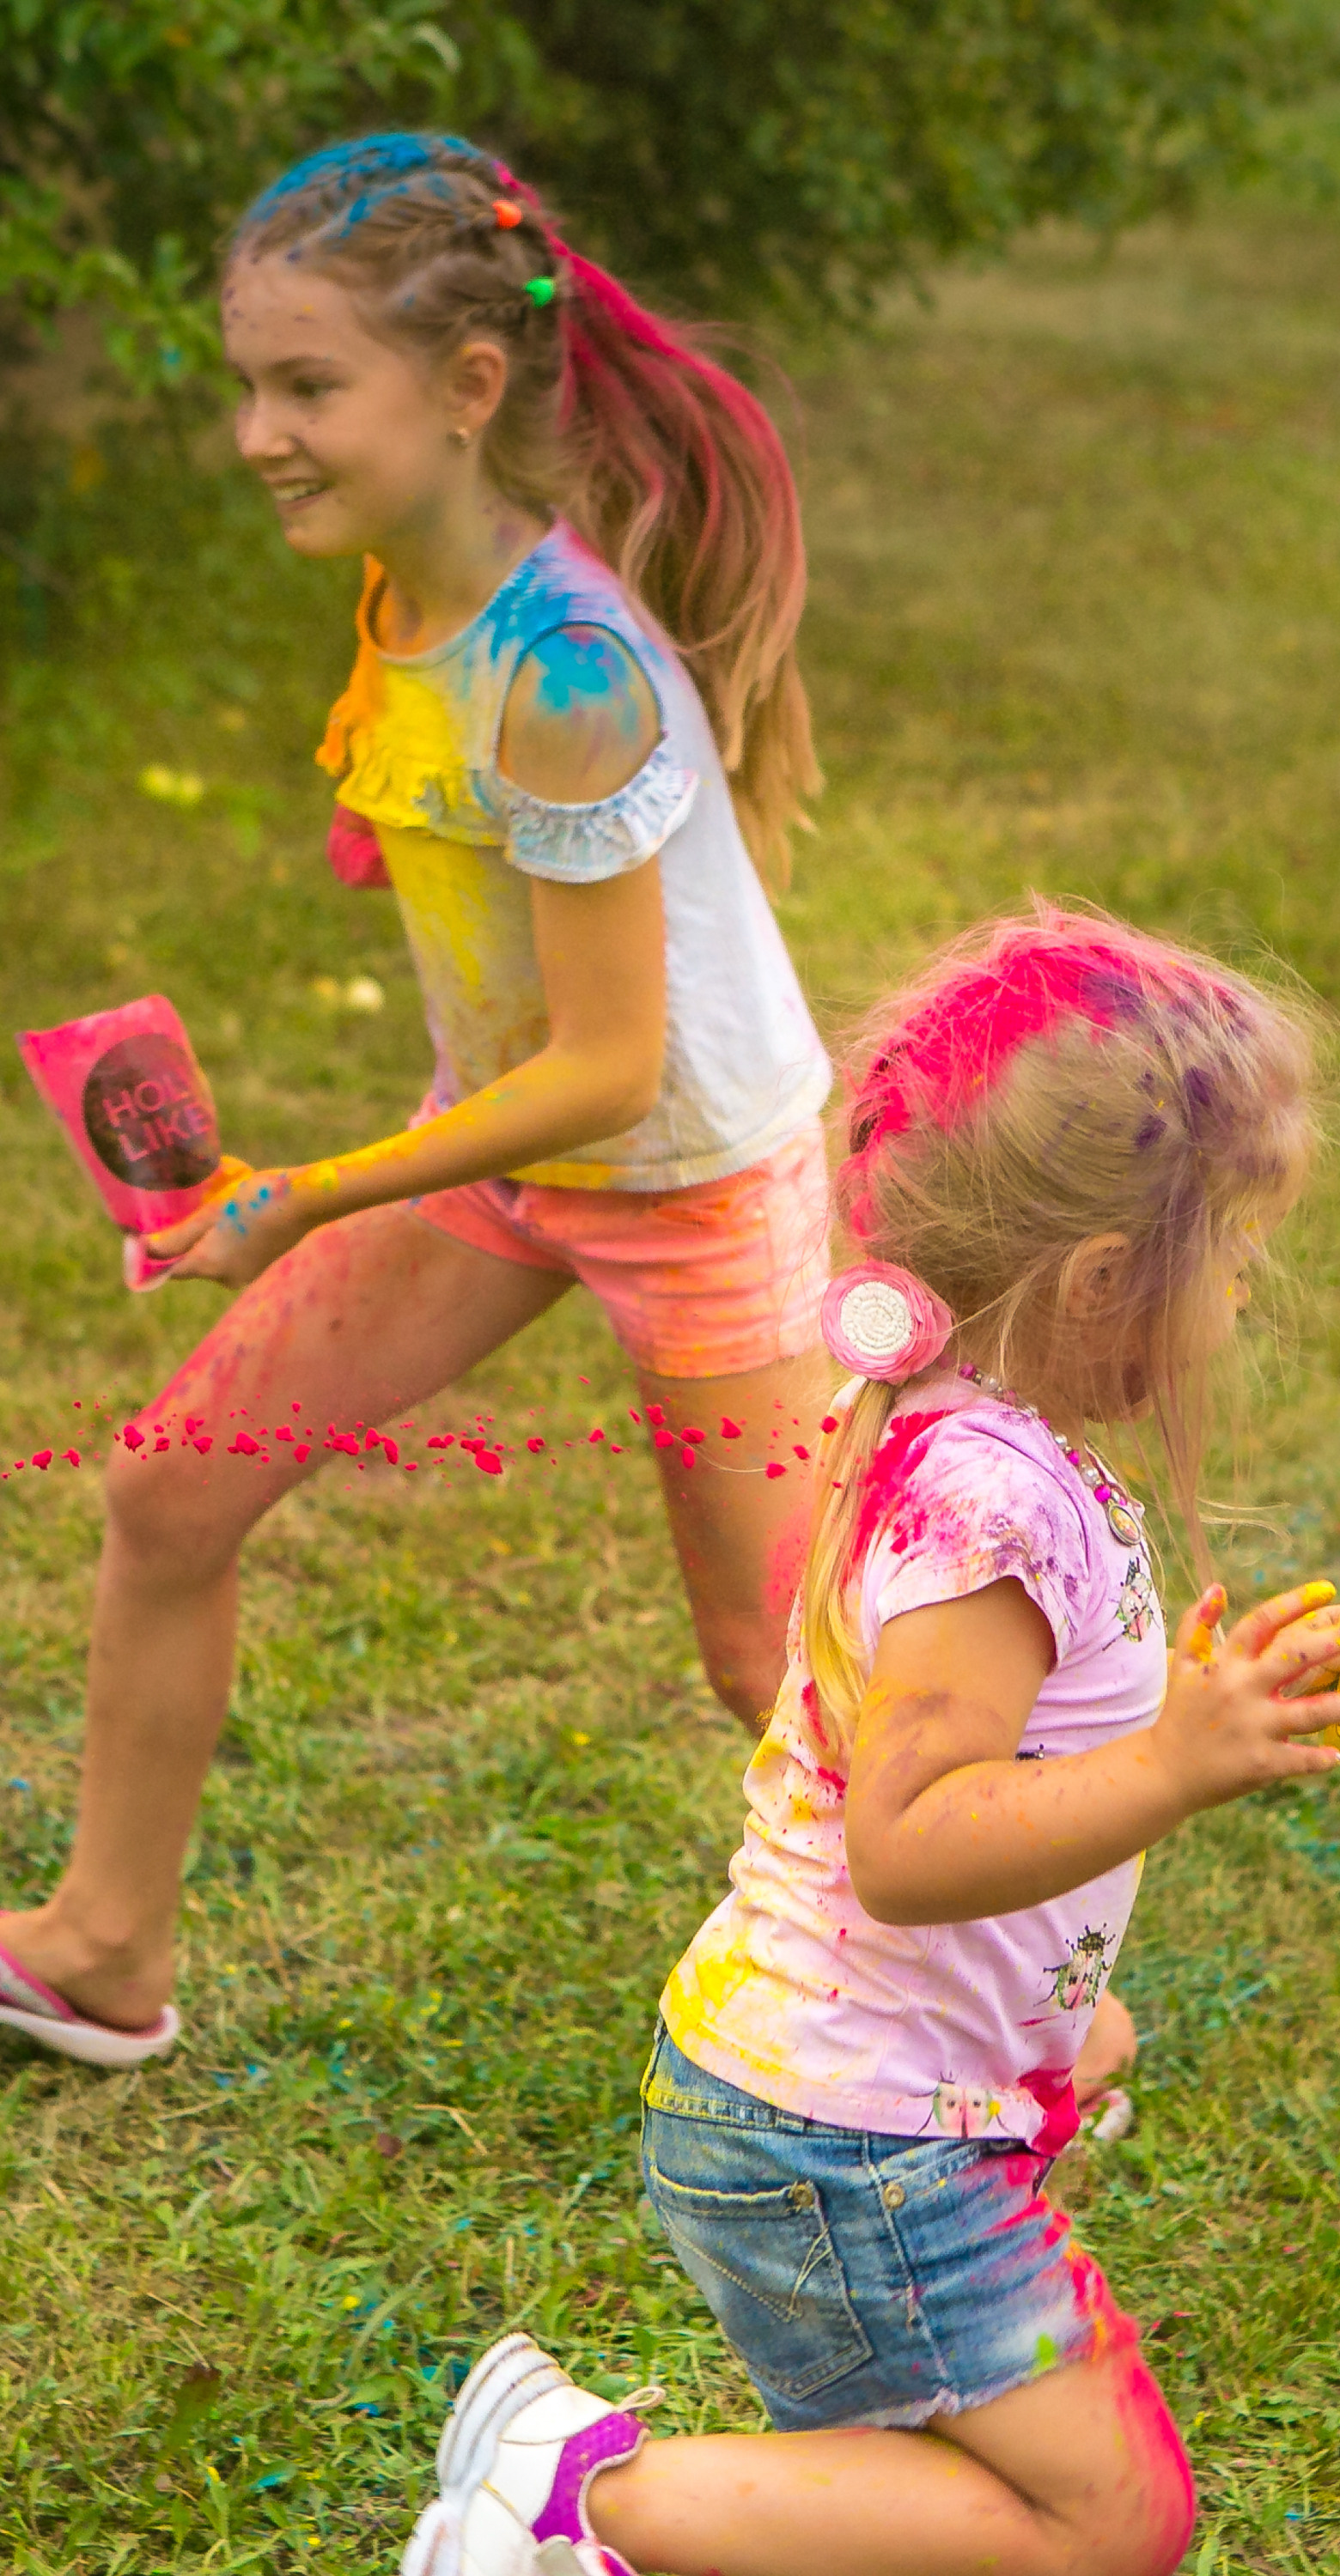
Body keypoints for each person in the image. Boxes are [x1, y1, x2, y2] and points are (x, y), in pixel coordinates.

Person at [399, 910, 1340, 2576]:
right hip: (843, 2147)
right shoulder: (989, 1509)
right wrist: (1170, 1766)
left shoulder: (955, 1432)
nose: (1245, 1289)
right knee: (1111, 2523)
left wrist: (1182, 1709)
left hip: (811, 2101)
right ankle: (573, 2502)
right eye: (1229, 1252)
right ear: (1098, 1284)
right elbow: (910, 1840)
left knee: (1097, 2054)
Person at [0, 132, 838, 2069]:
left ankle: (1066, 2027)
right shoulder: (400, 596)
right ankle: (105, 1947)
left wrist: (307, 1193)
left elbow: (613, 1068)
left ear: (467, 392)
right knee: (167, 1489)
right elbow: (507, 982)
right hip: (515, 1154)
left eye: (307, 388)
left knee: (776, 1662)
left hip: (696, 1181)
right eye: (249, 385)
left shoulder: (566, 674)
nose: (254, 434)